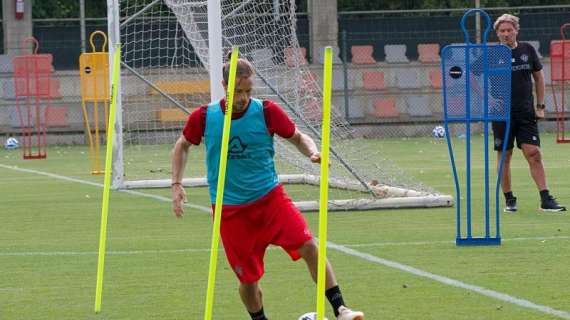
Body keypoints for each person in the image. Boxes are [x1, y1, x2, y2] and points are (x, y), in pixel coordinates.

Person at [171, 54, 365, 320]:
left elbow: (298, 137)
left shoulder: (266, 111)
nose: (243, 97)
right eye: (237, 91)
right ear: (224, 85)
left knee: (309, 246)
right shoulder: (205, 117)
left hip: (270, 199)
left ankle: (340, 308)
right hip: (230, 211)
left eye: (248, 91)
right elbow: (182, 145)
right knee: (248, 281)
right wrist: (176, 184)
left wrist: (312, 152)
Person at [492, 14, 566, 212]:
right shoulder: (491, 54)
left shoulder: (527, 49)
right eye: (502, 31)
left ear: (516, 30)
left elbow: (539, 78)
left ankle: (546, 199)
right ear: (497, 34)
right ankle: (509, 199)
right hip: (500, 113)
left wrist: (540, 106)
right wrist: (486, 99)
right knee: (505, 155)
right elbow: (472, 75)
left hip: (525, 112)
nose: (506, 34)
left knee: (533, 153)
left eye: (509, 30)